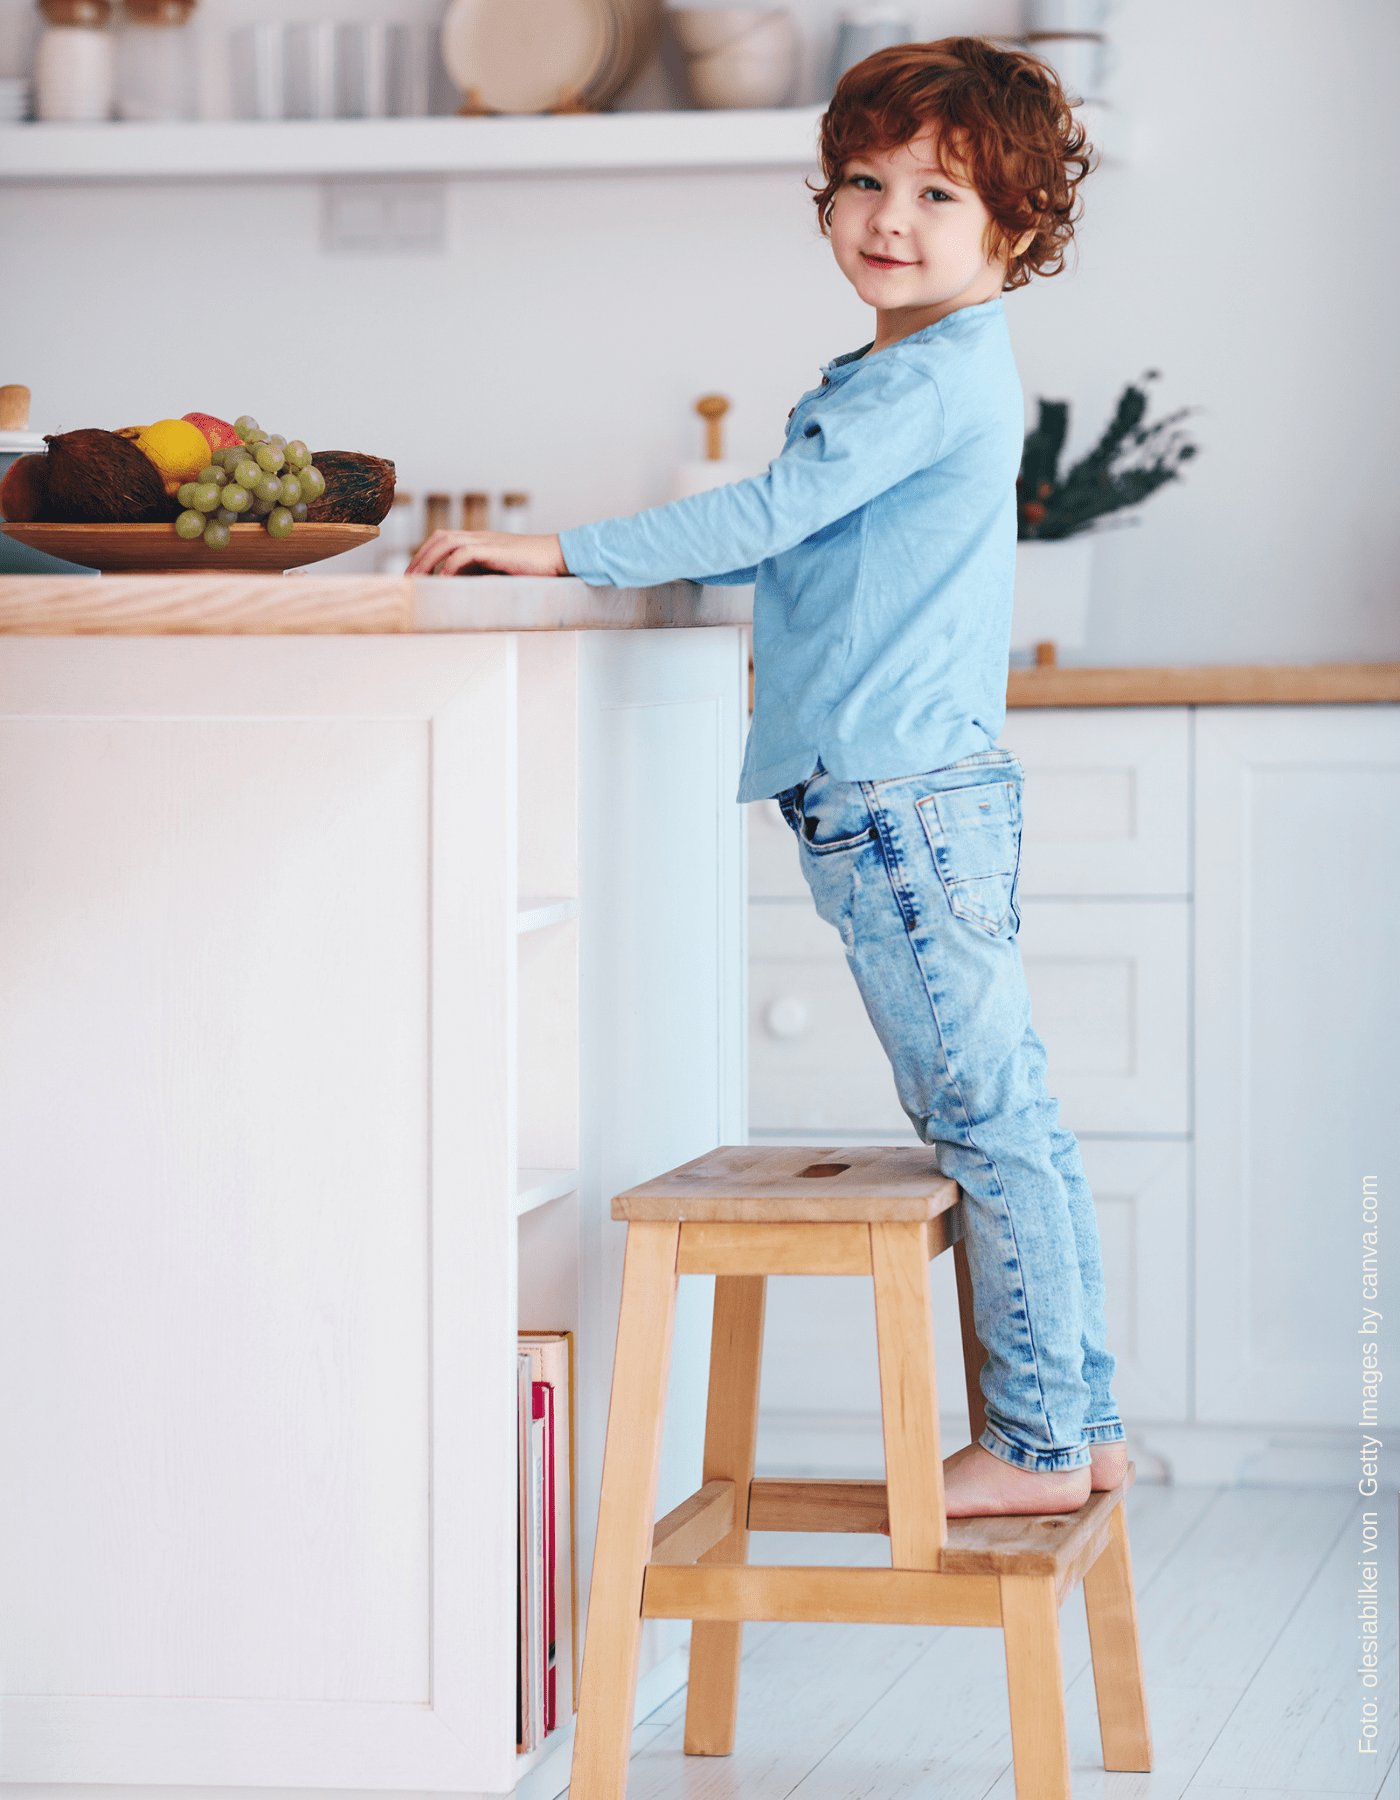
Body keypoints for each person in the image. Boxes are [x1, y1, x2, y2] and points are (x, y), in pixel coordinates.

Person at [407, 36, 1126, 1518]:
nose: (889, 217)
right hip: (920, 786)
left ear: (1019, 225)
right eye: (867, 180)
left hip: (899, 796)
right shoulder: (912, 364)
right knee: (1007, 1113)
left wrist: (562, 548)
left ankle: (1044, 1443)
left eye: (940, 192)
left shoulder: (921, 380)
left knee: (987, 1119)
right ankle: (1079, 1424)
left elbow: (770, 511)